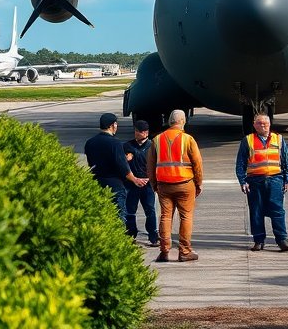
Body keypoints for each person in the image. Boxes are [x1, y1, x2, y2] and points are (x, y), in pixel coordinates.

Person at [147, 109, 203, 263]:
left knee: (165, 216)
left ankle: (164, 250)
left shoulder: (157, 139)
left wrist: (154, 184)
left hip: (164, 185)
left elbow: (150, 165)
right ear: (183, 121)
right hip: (185, 184)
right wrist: (198, 183)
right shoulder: (188, 139)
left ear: (170, 121)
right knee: (186, 217)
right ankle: (184, 251)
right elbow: (197, 164)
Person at [235, 112, 288, 252]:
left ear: (270, 124)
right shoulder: (247, 140)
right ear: (254, 125)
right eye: (259, 123)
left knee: (277, 210)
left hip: (275, 179)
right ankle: (258, 240)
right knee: (256, 211)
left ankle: (281, 239)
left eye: (265, 123)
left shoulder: (279, 139)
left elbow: (285, 160)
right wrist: (243, 181)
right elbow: (240, 163)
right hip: (254, 180)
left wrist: (287, 179)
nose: (263, 126)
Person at [84, 112, 147, 217]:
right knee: (119, 216)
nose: (117, 126)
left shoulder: (90, 142)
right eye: (116, 124)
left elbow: (96, 162)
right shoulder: (115, 143)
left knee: (101, 216)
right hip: (114, 185)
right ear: (112, 125)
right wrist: (135, 179)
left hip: (97, 182)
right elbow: (122, 166)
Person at [123, 119, 159, 247]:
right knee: (130, 210)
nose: (139, 134)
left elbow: (157, 164)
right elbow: (122, 165)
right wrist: (127, 160)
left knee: (150, 210)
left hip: (147, 184)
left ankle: (153, 236)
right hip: (132, 184)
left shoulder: (152, 146)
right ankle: (130, 235)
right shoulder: (127, 146)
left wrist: (151, 179)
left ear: (147, 132)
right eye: (137, 131)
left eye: (142, 131)